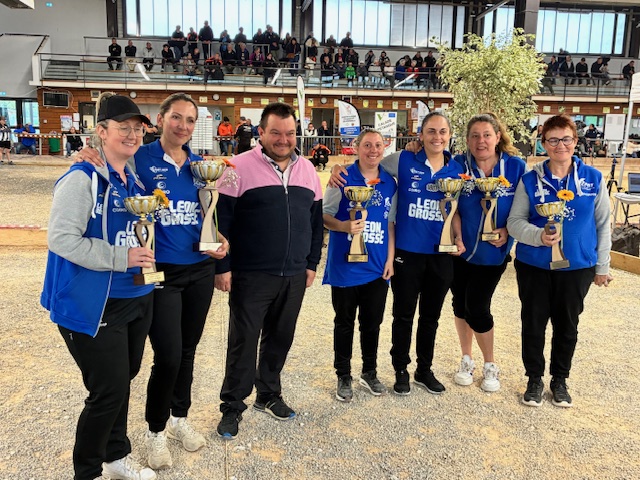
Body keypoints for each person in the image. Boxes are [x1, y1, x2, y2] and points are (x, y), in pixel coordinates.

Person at [76, 93, 230, 470]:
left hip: (199, 269)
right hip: (160, 272)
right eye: (176, 117)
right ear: (160, 119)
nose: (183, 126)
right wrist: (84, 153)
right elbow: (106, 164)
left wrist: (219, 242)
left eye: (190, 120)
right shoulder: (139, 158)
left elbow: (205, 215)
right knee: (169, 354)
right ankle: (156, 430)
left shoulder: (199, 165)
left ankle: (179, 418)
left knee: (188, 351)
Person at [41, 93, 157, 480]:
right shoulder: (82, 177)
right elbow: (61, 239)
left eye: (137, 128)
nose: (133, 134)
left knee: (123, 382)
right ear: (101, 131)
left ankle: (116, 457)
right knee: (107, 391)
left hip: (137, 297)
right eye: (123, 127)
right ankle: (87, 472)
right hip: (95, 303)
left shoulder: (133, 178)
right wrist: (122, 258)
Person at [329, 112, 465, 396]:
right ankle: (400, 370)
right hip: (407, 253)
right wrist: (337, 167)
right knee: (402, 316)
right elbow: (368, 163)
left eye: (442, 131)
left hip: (440, 254)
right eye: (430, 131)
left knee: (430, 317)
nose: (437, 137)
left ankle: (424, 370)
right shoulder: (402, 160)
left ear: (449, 135)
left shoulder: (457, 168)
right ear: (420, 135)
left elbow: (455, 210)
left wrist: (459, 238)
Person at [214, 102, 323, 439]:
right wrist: (222, 266)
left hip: (294, 274)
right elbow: (221, 221)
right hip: (251, 274)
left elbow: (315, 222)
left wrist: (311, 263)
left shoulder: (308, 170)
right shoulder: (237, 167)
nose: (283, 139)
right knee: (243, 342)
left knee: (280, 338)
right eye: (275, 132)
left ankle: (268, 393)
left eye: (289, 133)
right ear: (260, 133)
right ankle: (232, 406)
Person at [507, 115, 612, 408]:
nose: (560, 145)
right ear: (544, 144)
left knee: (567, 325)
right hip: (534, 265)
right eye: (552, 140)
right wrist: (538, 236)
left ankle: (560, 380)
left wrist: (602, 266)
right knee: (533, 323)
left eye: (566, 139)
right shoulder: (530, 180)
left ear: (575, 141)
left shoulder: (593, 178)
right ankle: (534, 379)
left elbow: (604, 224)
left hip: (577, 267)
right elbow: (514, 222)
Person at [449, 114, 527, 392]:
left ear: (497, 137)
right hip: (460, 250)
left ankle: (490, 364)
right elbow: (450, 204)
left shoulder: (516, 167)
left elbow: (524, 209)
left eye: (486, 135)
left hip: (494, 252)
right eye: (474, 136)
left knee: (478, 307)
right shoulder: (458, 164)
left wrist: (509, 231)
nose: (480, 141)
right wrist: (456, 235)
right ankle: (466, 358)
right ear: (467, 139)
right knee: (460, 304)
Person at [323, 129, 397, 402]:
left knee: (372, 323)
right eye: (367, 145)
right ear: (356, 147)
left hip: (377, 266)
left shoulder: (389, 182)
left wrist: (390, 259)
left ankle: (369, 371)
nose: (373, 150)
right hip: (345, 265)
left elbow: (390, 223)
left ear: (384, 147)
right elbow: (324, 215)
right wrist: (344, 226)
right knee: (344, 322)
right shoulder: (341, 177)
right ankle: (343, 374)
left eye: (377, 145)